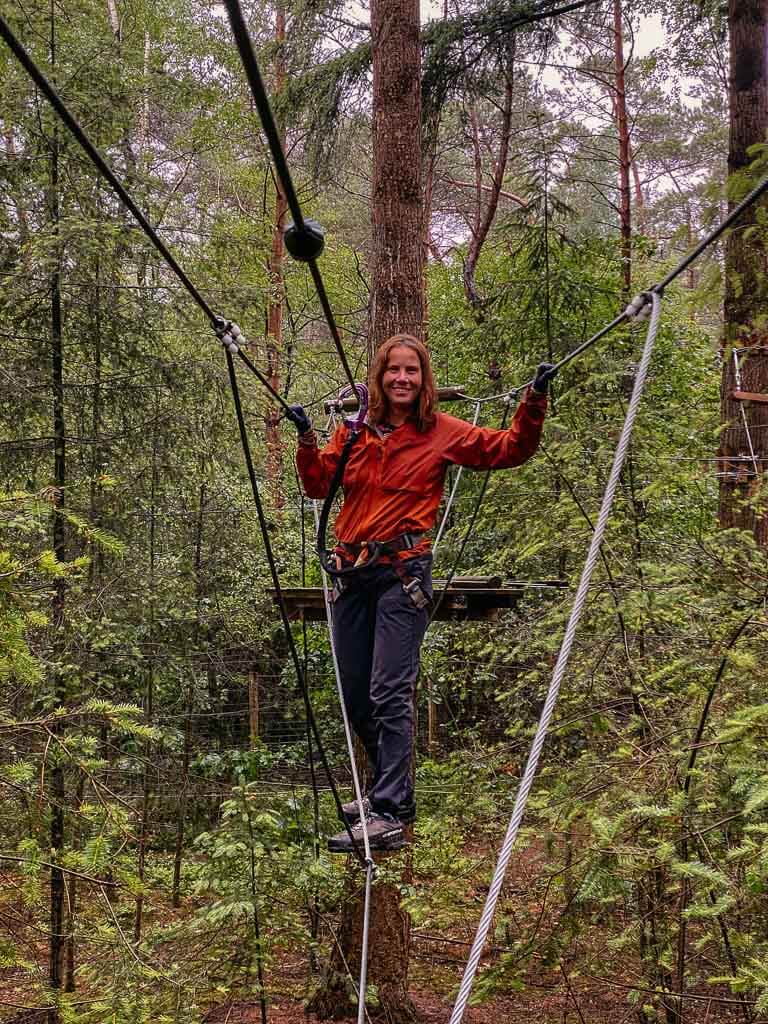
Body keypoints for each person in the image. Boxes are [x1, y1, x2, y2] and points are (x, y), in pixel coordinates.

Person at [287, 334, 554, 853]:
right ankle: (390, 792)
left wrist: (535, 400)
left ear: (423, 379)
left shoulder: (440, 432)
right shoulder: (353, 432)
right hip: (350, 571)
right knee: (355, 692)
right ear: (379, 378)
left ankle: (389, 808)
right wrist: (304, 441)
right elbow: (319, 485)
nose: (402, 379)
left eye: (411, 371)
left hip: (401, 573)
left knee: (390, 690)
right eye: (393, 371)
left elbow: (510, 449)